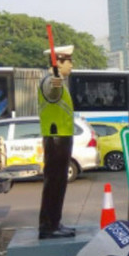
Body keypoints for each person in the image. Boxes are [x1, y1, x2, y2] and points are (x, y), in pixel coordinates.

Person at [38, 44, 75, 239]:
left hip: (61, 137)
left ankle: (54, 222)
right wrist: (55, 79)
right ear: (58, 63)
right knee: (54, 183)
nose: (71, 66)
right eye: (69, 62)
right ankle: (48, 226)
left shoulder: (58, 81)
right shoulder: (50, 81)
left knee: (58, 183)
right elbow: (52, 92)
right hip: (56, 139)